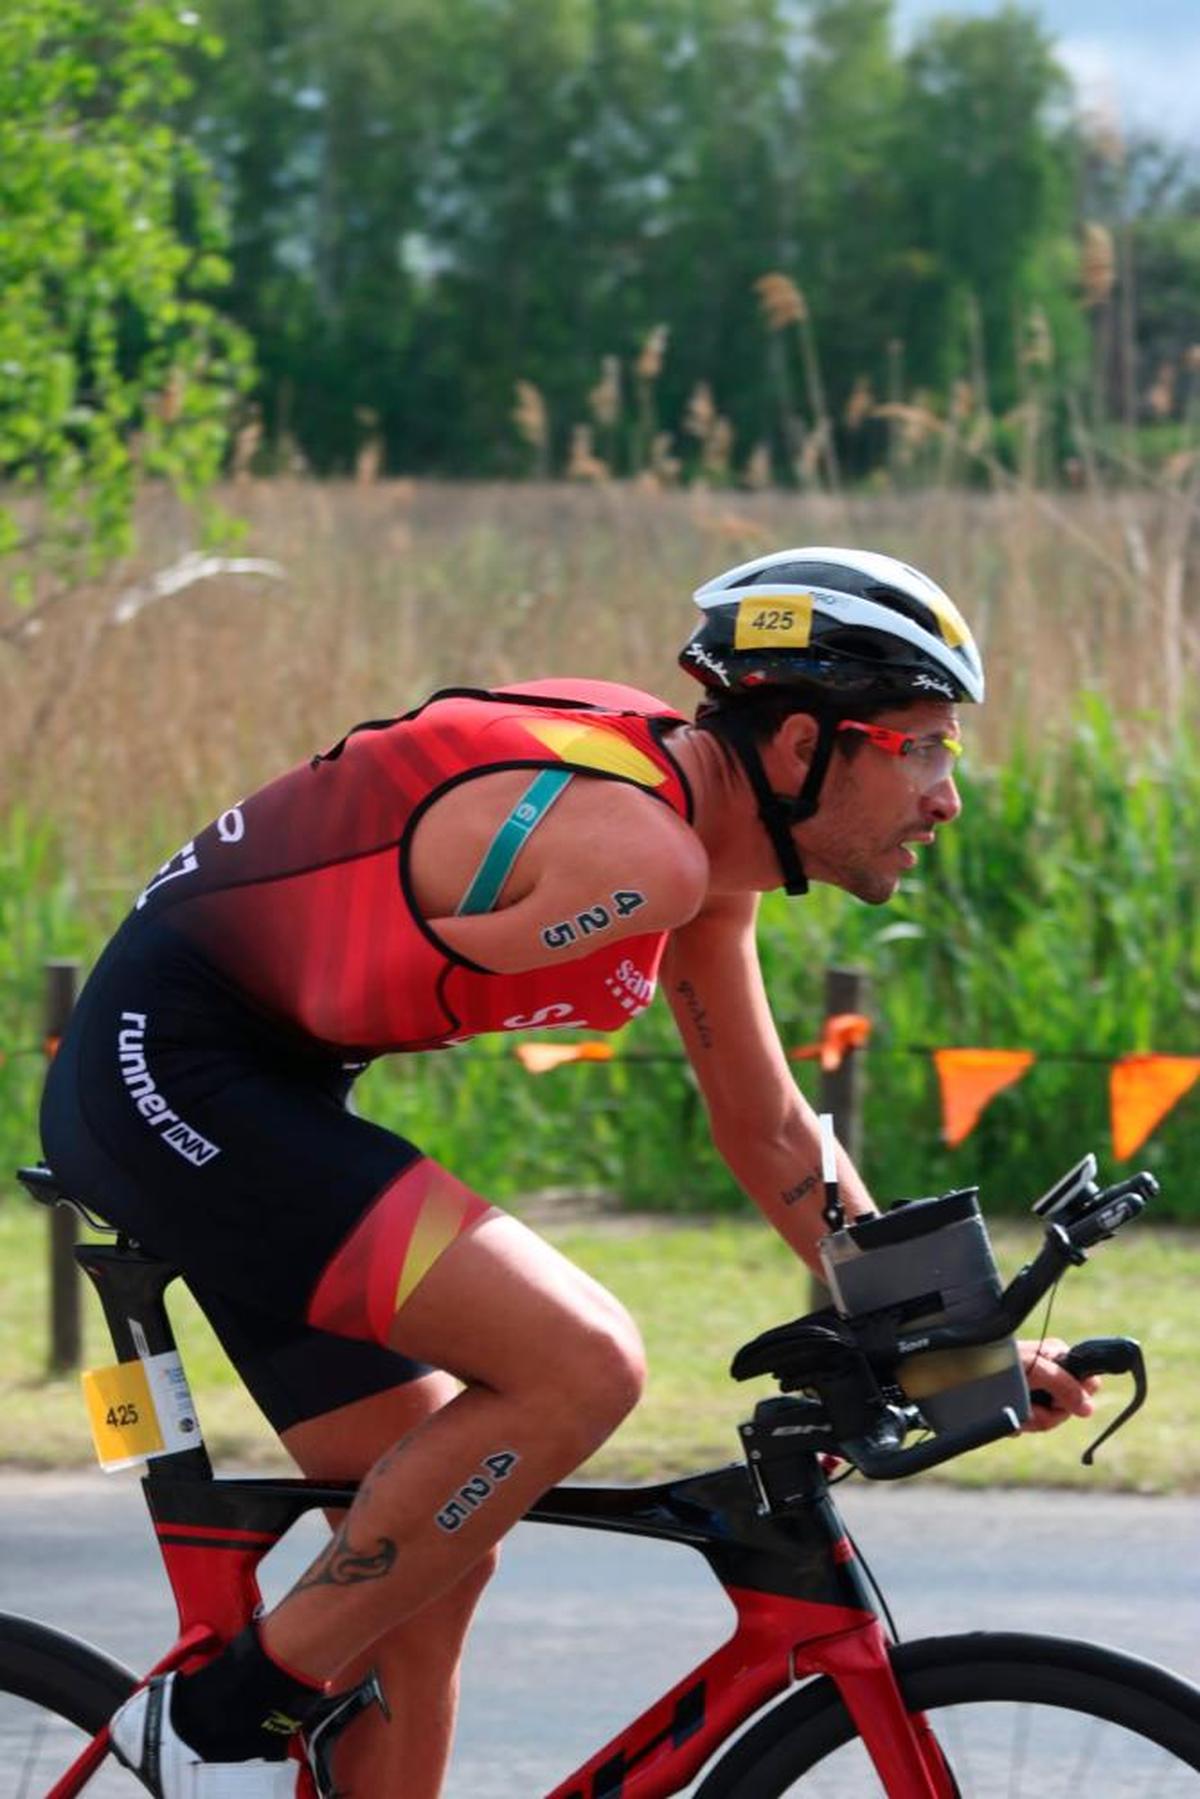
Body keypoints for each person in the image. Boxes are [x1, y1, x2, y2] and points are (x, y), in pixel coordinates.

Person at [40, 546, 1096, 1798]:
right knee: (580, 1358)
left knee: (427, 1561)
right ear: (807, 743)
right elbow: (363, 952)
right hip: (181, 1076)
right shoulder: (643, 854)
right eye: (919, 743)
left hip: (261, 1086)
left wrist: (949, 1346)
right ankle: (212, 1723)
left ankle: (271, 1711)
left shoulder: (686, 851)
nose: (945, 794)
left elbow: (766, 1131)